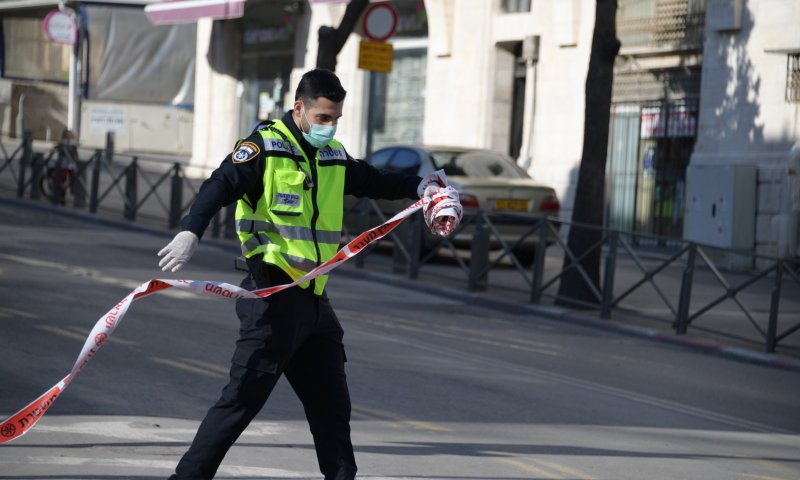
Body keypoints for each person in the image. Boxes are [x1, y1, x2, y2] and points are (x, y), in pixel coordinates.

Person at [157, 69, 459, 480]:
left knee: (332, 410)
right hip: (272, 297)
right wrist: (192, 229)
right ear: (298, 108)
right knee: (240, 402)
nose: (329, 127)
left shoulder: (332, 154)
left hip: (315, 303)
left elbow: (373, 179)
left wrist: (420, 185)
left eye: (335, 118)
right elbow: (220, 184)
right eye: (322, 118)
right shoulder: (263, 147)